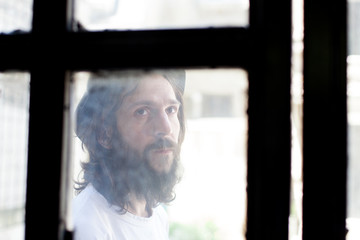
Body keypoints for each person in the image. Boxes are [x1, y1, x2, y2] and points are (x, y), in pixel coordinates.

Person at [72, 70, 186, 240]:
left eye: (171, 110)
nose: (166, 128)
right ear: (105, 134)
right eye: (142, 112)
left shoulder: (157, 216)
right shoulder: (88, 225)